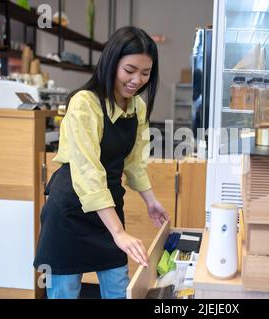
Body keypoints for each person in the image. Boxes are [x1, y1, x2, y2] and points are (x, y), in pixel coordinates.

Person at [33, 26, 169, 299]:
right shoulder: (85, 103)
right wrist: (118, 233)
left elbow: (133, 163)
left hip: (108, 206)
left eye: (145, 73)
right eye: (129, 70)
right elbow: (88, 172)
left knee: (119, 286)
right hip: (69, 209)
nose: (137, 80)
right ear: (111, 63)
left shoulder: (137, 107)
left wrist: (150, 200)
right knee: (65, 291)